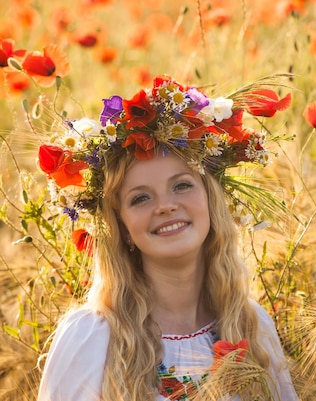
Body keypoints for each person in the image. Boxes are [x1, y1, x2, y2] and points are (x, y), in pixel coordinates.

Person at [36, 75, 297, 400]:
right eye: (140, 198)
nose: (166, 206)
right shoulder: (93, 338)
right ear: (123, 227)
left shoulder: (251, 325)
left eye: (182, 185)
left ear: (210, 202)